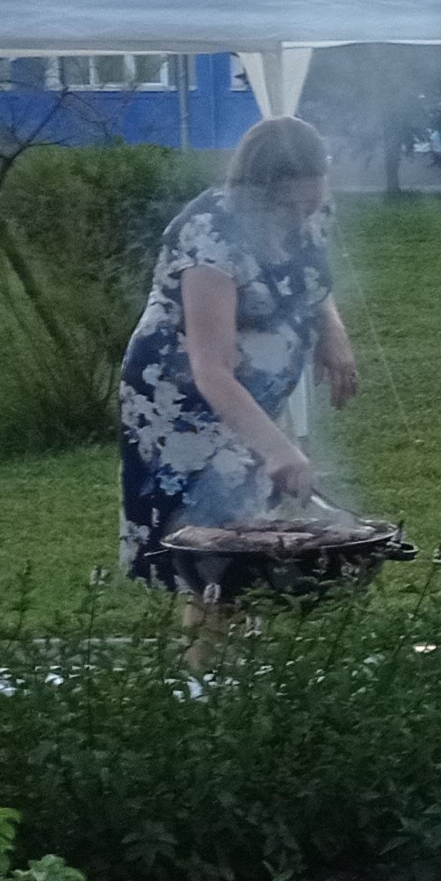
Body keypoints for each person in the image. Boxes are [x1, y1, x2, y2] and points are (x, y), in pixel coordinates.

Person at [118, 116, 358, 592]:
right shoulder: (211, 234)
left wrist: (332, 329)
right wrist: (278, 448)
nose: (301, 217)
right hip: (185, 407)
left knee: (253, 544)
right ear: (256, 191)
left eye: (310, 202)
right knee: (212, 555)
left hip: (250, 397)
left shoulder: (312, 210)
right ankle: (207, 641)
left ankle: (237, 638)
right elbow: (210, 370)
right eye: (288, 206)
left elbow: (312, 275)